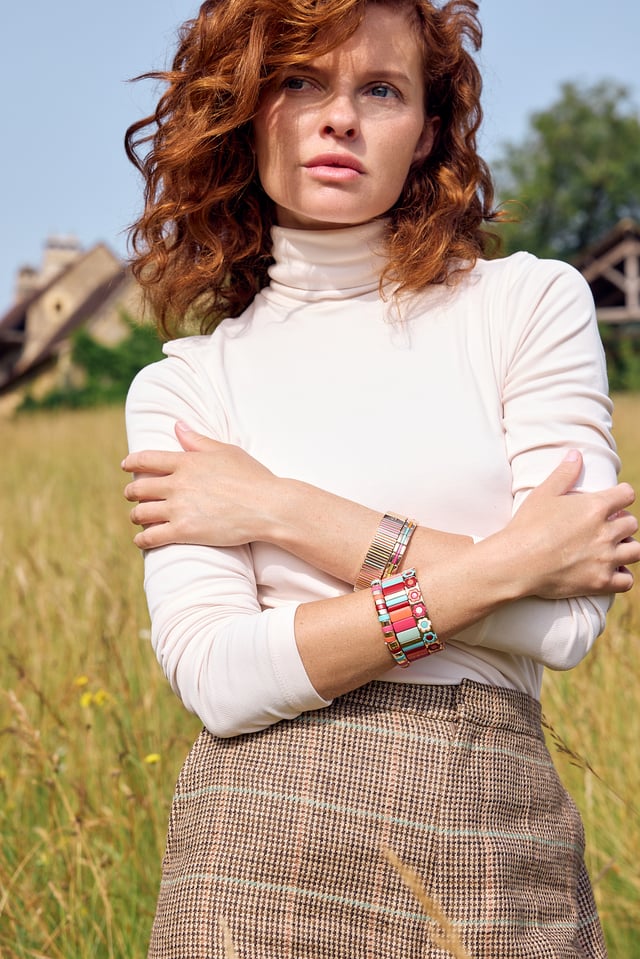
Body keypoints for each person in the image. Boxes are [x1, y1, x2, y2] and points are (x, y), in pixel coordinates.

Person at [121, 1, 639, 956]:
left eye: (381, 89)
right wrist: (504, 566)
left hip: (489, 842)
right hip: (249, 859)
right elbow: (220, 679)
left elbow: (564, 626)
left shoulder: (526, 306)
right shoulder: (186, 387)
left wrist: (278, 506)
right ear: (243, 109)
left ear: (429, 130)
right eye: (300, 81)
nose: (339, 117)